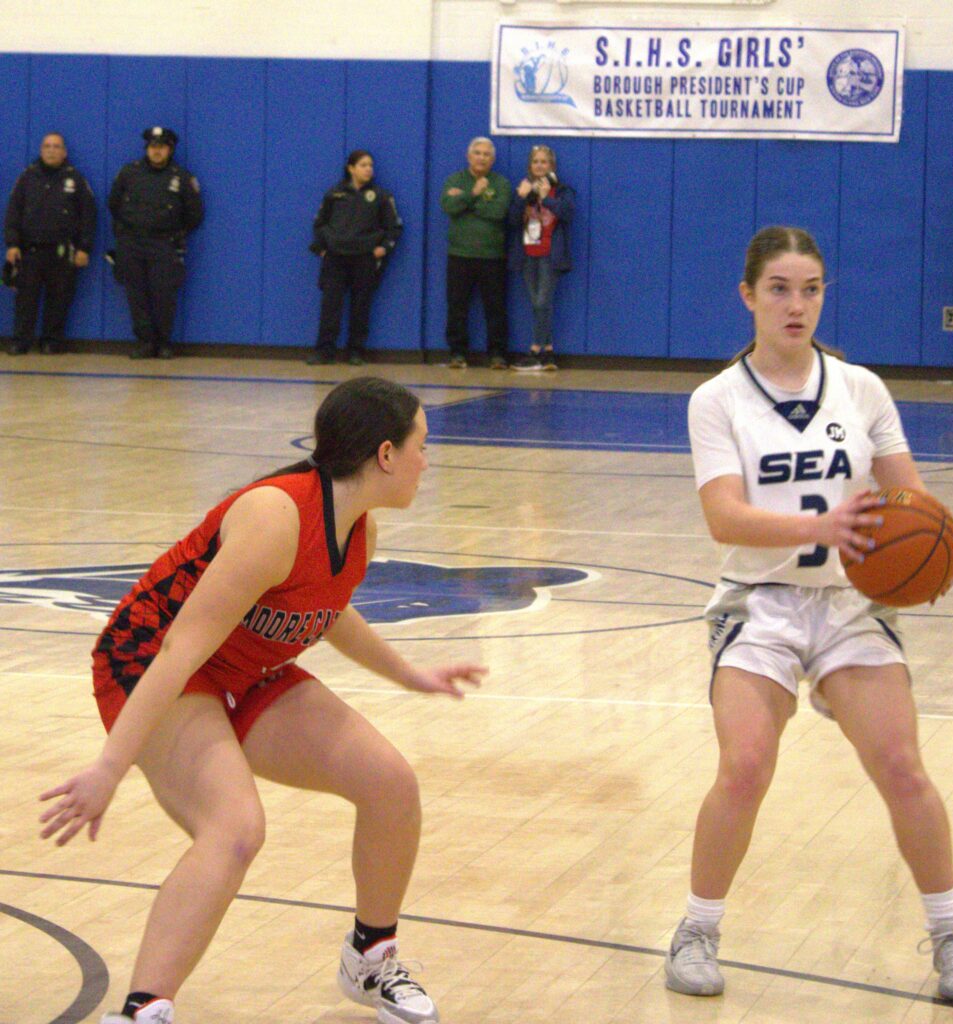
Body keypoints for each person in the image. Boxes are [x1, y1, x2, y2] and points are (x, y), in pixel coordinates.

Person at [39, 376, 486, 1024]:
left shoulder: (357, 531)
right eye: (421, 445)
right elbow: (179, 650)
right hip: (153, 664)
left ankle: (369, 958)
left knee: (390, 783)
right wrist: (110, 766)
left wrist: (409, 673)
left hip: (246, 670)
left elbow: (325, 611)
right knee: (235, 827)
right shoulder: (275, 515)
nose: (427, 460)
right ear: (385, 455)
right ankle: (140, 1012)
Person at [666, 226, 953, 1004]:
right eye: (779, 288)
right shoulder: (716, 400)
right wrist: (824, 529)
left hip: (851, 604)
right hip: (759, 603)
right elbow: (724, 518)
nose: (796, 304)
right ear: (748, 296)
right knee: (745, 765)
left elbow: (908, 497)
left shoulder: (861, 389)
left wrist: (945, 533)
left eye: (810, 289)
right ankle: (696, 929)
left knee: (903, 766)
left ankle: (951, 934)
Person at [108, 127, 204, 360]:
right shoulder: (129, 173)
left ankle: (163, 343)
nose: (156, 151)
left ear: (170, 150)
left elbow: (195, 215)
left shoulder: (181, 178)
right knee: (136, 295)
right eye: (153, 147)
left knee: (163, 296)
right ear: (147, 149)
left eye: (161, 147)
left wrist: (173, 233)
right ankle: (145, 342)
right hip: (132, 243)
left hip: (164, 244)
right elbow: (114, 204)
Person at [307, 150, 403, 366]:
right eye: (363, 165)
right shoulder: (334, 194)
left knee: (361, 306)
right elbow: (320, 223)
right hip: (336, 257)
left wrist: (384, 248)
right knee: (330, 305)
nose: (368, 169)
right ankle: (324, 350)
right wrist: (322, 248)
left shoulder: (381, 196)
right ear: (351, 168)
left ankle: (356, 351)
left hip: (364, 258)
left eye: (370, 165)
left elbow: (394, 227)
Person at [3, 132, 96, 355]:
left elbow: (88, 216)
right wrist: (12, 243)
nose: (51, 150)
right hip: (30, 250)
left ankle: (51, 341)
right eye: (47, 146)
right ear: (41, 150)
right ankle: (21, 341)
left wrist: (84, 248)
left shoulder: (75, 179)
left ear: (64, 152)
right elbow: (13, 212)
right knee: (26, 299)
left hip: (63, 252)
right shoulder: (27, 177)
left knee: (59, 299)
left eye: (56, 146)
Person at [440, 137, 511, 369]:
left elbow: (499, 212)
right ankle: (457, 353)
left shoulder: (500, 183)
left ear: (493, 159)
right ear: (469, 156)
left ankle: (497, 354)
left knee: (495, 307)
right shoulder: (455, 179)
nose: (481, 157)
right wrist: (473, 193)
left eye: (486, 154)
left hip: (492, 256)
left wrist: (466, 201)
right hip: (460, 254)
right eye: (477, 153)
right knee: (457, 306)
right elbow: (449, 208)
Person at [508, 145, 575, 372]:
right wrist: (520, 198)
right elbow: (512, 221)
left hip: (550, 254)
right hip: (528, 254)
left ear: (552, 166)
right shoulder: (525, 190)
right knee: (537, 303)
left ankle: (534, 350)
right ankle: (549, 351)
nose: (539, 165)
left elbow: (567, 214)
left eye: (543, 162)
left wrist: (546, 198)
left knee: (541, 302)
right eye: (535, 161)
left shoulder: (563, 191)